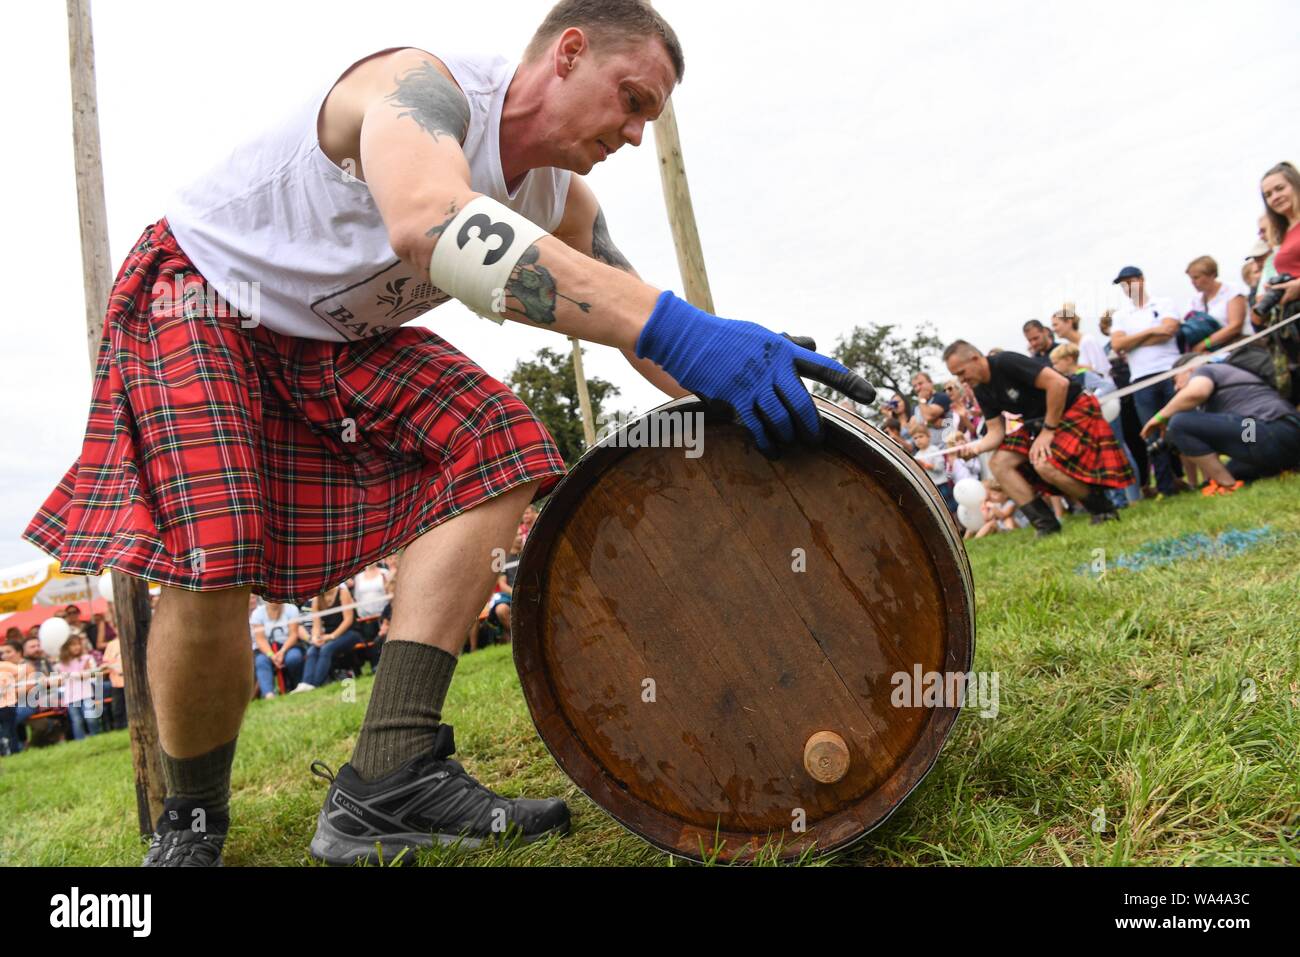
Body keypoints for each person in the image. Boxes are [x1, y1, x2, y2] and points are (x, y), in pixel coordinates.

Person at [22, 0, 874, 867]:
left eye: (648, 116)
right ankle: (192, 822)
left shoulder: (557, 198)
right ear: (569, 52)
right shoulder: (421, 87)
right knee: (220, 546)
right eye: (630, 98)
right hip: (199, 294)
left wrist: (756, 379)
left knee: (498, 440)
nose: (632, 129)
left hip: (327, 341)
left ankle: (387, 776)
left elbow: (635, 317)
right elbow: (428, 221)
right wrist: (677, 329)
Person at [943, 340, 1132, 535]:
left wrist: (1048, 431)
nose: (961, 380)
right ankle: (1046, 525)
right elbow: (995, 432)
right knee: (999, 464)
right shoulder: (980, 388)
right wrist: (974, 449)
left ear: (975, 359)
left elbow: (1059, 383)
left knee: (1043, 463)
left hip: (1071, 409)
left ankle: (1103, 510)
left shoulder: (1006, 362)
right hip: (1036, 422)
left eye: (961, 373)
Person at [1140, 354, 1300, 489]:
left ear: (1190, 369)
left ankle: (1227, 486)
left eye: (1175, 380)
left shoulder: (1205, 370)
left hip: (1265, 428)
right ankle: (1283, 467)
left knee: (1180, 422)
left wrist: (1160, 417)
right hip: (1272, 437)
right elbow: (1215, 444)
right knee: (1234, 471)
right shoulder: (1227, 379)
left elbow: (1196, 393)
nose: (1175, 388)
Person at [1109, 265, 1184, 496]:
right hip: (1141, 379)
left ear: (1141, 280)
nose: (1127, 287)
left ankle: (1186, 478)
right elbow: (1118, 345)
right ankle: (1166, 486)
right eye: (1123, 284)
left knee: (1179, 425)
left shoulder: (1163, 304)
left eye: (1130, 282)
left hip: (1169, 370)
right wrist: (1152, 332)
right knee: (1151, 435)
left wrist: (1134, 342)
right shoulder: (1121, 315)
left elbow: (1169, 330)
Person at [1049, 342, 1140, 507]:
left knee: (1117, 453)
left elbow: (1108, 386)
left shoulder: (1085, 375)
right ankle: (1116, 498)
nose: (1054, 367)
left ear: (1068, 359)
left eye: (1056, 362)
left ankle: (1128, 496)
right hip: (1092, 421)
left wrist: (1092, 400)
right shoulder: (1067, 380)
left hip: (1106, 416)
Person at [296, 583, 362, 692]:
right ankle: (306, 683)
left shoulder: (342, 592)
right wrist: (316, 638)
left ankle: (315, 685)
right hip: (329, 635)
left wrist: (331, 636)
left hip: (351, 633)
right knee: (312, 650)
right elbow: (316, 625)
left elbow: (348, 620)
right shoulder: (317, 598)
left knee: (327, 649)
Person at [1183, 256, 1250, 352]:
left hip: (1237, 347)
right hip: (1211, 351)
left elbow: (1235, 326)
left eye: (1196, 277)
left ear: (1212, 275)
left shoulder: (1232, 291)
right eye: (1191, 278)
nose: (1193, 282)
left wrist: (1204, 344)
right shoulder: (1195, 301)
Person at [249, 602, 305, 698]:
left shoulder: (291, 609)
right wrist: (272, 655)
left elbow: (293, 635)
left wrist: (282, 651)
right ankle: (269, 694)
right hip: (267, 650)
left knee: (294, 658)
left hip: (288, 646)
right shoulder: (257, 613)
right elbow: (260, 639)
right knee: (261, 661)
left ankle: (298, 687)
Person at [55, 634, 102, 741]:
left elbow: (90, 673)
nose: (76, 647)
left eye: (78, 644)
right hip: (71, 696)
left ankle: (97, 737)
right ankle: (80, 740)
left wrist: (71, 675)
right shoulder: (62, 664)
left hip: (86, 693)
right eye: (73, 645)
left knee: (91, 717)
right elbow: (61, 678)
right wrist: (77, 674)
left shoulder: (86, 658)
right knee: (77, 721)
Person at [1050, 306, 1110, 376]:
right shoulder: (1070, 347)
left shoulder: (1088, 341)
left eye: (1055, 325)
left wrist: (1076, 368)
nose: (1053, 329)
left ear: (1069, 322)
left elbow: (1101, 369)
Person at [0, 640, 25, 756]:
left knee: (9, 729)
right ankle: (9, 750)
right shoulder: (5, 666)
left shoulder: (4, 666)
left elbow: (21, 672)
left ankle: (12, 751)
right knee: (8, 729)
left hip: (8, 704)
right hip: (7, 705)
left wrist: (12, 682)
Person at [100, 634, 128, 730]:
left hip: (129, 682)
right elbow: (106, 662)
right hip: (116, 682)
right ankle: (119, 728)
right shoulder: (112, 644)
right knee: (118, 708)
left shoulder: (131, 640)